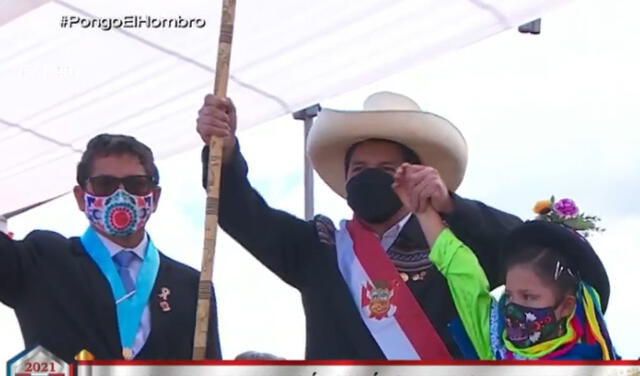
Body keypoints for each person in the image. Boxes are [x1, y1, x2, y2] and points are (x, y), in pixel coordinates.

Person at [196, 91, 521, 359]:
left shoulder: (453, 245)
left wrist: (450, 205)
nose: (369, 176)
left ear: (414, 175)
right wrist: (224, 152)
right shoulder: (318, 249)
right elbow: (243, 215)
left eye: (385, 168)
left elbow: (525, 246)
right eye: (359, 168)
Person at [0, 134, 221, 362]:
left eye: (136, 184)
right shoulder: (42, 260)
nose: (120, 195)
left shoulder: (193, 286)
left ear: (154, 197)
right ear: (80, 197)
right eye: (104, 184)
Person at [395, 168, 617, 360]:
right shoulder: (494, 341)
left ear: (566, 306)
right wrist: (423, 212)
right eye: (509, 295)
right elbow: (462, 272)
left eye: (529, 296)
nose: (513, 308)